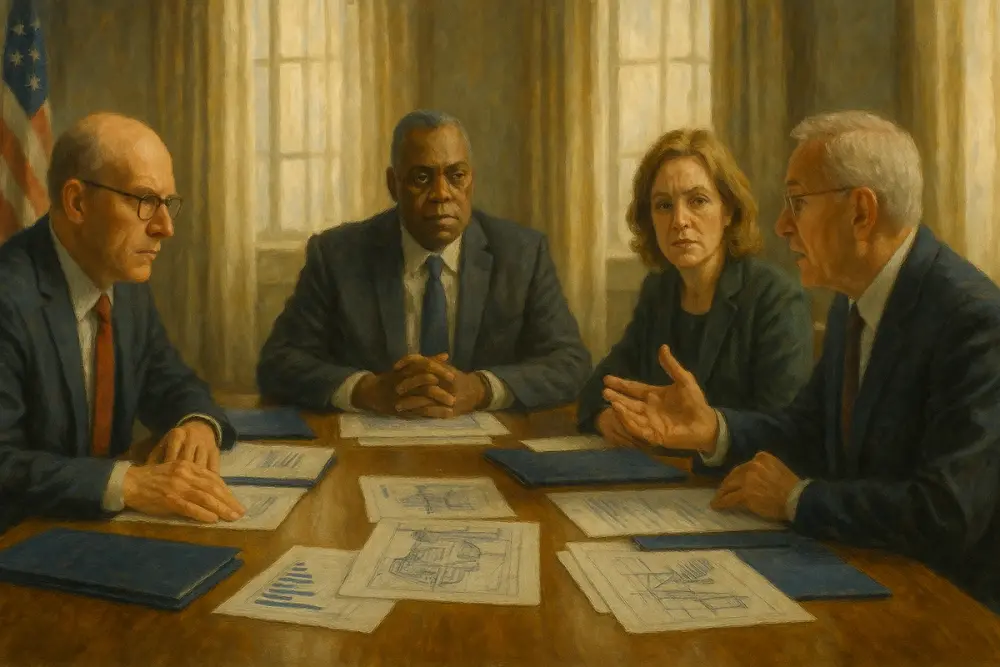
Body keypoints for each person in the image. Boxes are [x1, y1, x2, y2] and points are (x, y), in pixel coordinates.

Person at [603, 110, 1000, 613]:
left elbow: (948, 513)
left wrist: (797, 499)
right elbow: (806, 431)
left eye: (797, 203)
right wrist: (712, 431)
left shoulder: (975, 321)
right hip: (871, 578)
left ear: (860, 212)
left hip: (953, 614)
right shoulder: (853, 301)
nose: (782, 225)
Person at [0, 112, 245, 532]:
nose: (165, 227)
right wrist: (127, 483)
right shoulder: (10, 295)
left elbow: (170, 381)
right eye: (144, 201)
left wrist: (197, 423)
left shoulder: (121, 279)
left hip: (94, 533)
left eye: (168, 204)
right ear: (77, 202)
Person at [257, 109, 591, 417]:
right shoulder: (337, 255)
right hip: (372, 452)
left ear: (471, 180)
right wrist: (365, 389)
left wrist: (481, 388)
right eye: (421, 178)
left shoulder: (522, 253)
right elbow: (278, 363)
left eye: (455, 176)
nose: (441, 194)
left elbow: (570, 363)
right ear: (393, 184)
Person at [577, 128, 812, 447]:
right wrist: (604, 415)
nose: (679, 220)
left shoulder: (774, 298)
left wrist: (711, 429)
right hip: (660, 476)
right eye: (663, 205)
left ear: (728, 210)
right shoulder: (659, 291)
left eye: (698, 200)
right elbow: (601, 385)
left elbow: (785, 429)